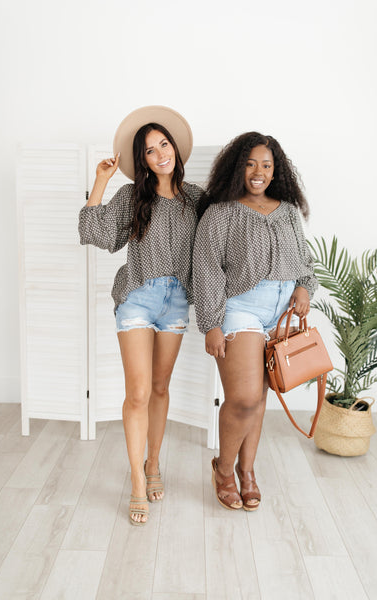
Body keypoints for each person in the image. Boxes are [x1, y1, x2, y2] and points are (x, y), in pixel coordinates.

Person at [79, 106, 202, 525]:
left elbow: (219, 247)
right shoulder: (133, 196)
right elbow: (97, 233)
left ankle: (154, 464)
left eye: (164, 144)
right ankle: (136, 482)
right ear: (143, 160)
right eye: (150, 150)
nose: (160, 154)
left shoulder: (197, 199)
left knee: (161, 387)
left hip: (177, 302)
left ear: (174, 149)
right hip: (137, 296)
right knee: (138, 393)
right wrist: (100, 180)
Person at [193, 132, 318, 511]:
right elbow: (206, 269)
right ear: (237, 168)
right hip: (241, 308)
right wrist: (211, 323)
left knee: (260, 400)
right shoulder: (221, 213)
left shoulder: (288, 212)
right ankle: (224, 469)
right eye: (250, 164)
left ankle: (248, 473)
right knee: (244, 398)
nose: (258, 172)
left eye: (266, 164)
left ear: (276, 170)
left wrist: (304, 288)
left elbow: (305, 260)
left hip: (281, 312)